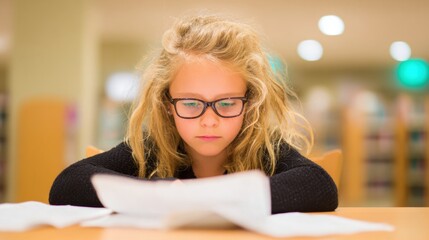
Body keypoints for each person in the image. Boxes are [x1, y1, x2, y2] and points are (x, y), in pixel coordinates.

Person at [49, 14, 338, 214]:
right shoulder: (155, 148)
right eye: (190, 103)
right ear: (167, 104)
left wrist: (199, 199)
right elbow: (68, 184)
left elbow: (319, 184)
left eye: (226, 104)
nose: (209, 120)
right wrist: (171, 194)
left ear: (249, 104)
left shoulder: (262, 147)